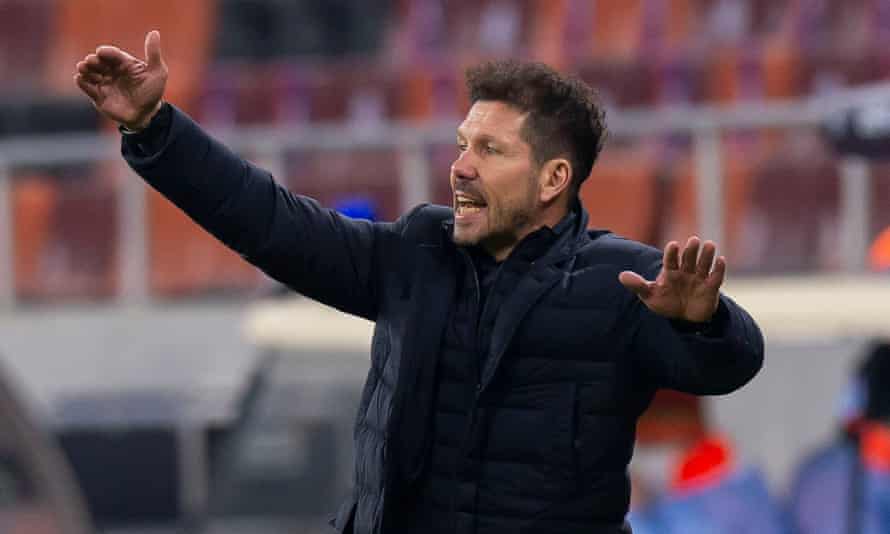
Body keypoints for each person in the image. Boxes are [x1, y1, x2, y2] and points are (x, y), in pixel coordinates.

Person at [74, 31, 764, 534]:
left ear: (554, 179)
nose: (461, 166)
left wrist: (700, 322)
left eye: (489, 150)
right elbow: (269, 223)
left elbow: (729, 365)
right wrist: (155, 129)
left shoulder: (623, 279)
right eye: (463, 143)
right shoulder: (414, 253)